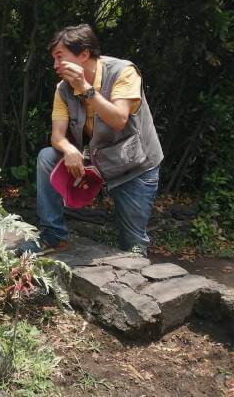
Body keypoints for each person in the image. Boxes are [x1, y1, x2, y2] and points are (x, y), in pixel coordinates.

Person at [34, 24, 163, 254]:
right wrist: (68, 149)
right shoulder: (63, 89)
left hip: (136, 165)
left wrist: (85, 88)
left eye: (59, 57)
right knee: (47, 156)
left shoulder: (124, 72)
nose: (54, 65)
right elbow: (57, 136)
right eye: (53, 58)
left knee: (132, 245)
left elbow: (119, 119)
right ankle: (54, 236)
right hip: (97, 158)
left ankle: (136, 279)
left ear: (83, 55)